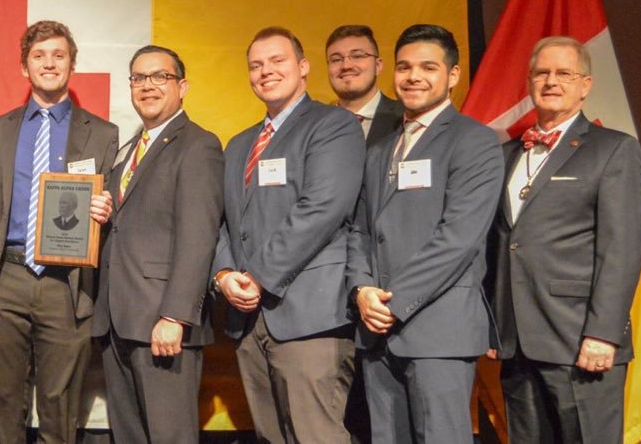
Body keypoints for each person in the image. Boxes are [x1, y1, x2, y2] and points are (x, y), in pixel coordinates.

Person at [346, 24, 504, 443]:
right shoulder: (380, 149)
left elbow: (458, 239)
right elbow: (360, 230)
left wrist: (393, 303)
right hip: (377, 333)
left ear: (453, 75)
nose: (413, 76)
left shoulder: (475, 141)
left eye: (428, 67)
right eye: (404, 67)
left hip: (439, 332)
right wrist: (361, 290)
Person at [488, 36, 641, 443]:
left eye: (564, 74)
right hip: (517, 343)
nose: (551, 82)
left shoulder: (613, 150)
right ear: (529, 82)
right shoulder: (506, 154)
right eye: (542, 73)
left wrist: (603, 334)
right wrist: (494, 326)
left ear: (585, 85)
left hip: (579, 339)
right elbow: (502, 244)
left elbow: (622, 251)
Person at [212, 26, 364, 443]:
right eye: (256, 65)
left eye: (277, 61)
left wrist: (256, 276)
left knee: (316, 436)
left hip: (310, 317)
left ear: (303, 67)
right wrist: (224, 275)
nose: (266, 71)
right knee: (270, 436)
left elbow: (321, 209)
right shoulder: (239, 144)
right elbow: (222, 220)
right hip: (248, 319)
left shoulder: (333, 125)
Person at [0, 20, 117, 444]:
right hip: (4, 278)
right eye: (39, 56)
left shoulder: (103, 134)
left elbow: (116, 201)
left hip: (66, 283)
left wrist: (107, 207)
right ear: (24, 67)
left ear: (73, 64)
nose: (49, 63)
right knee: (2, 402)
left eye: (59, 55)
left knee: (60, 405)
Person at [94, 45, 223, 444]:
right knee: (129, 435)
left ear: (182, 87)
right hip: (119, 319)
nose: (147, 86)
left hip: (162, 322)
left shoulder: (198, 145)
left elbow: (199, 237)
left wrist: (175, 316)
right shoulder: (129, 149)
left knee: (170, 436)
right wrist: (104, 213)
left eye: (159, 77)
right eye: (138, 78)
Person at [326, 24, 405, 145]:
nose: (346, 66)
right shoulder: (315, 123)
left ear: (378, 66)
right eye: (336, 59)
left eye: (357, 56)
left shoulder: (405, 116)